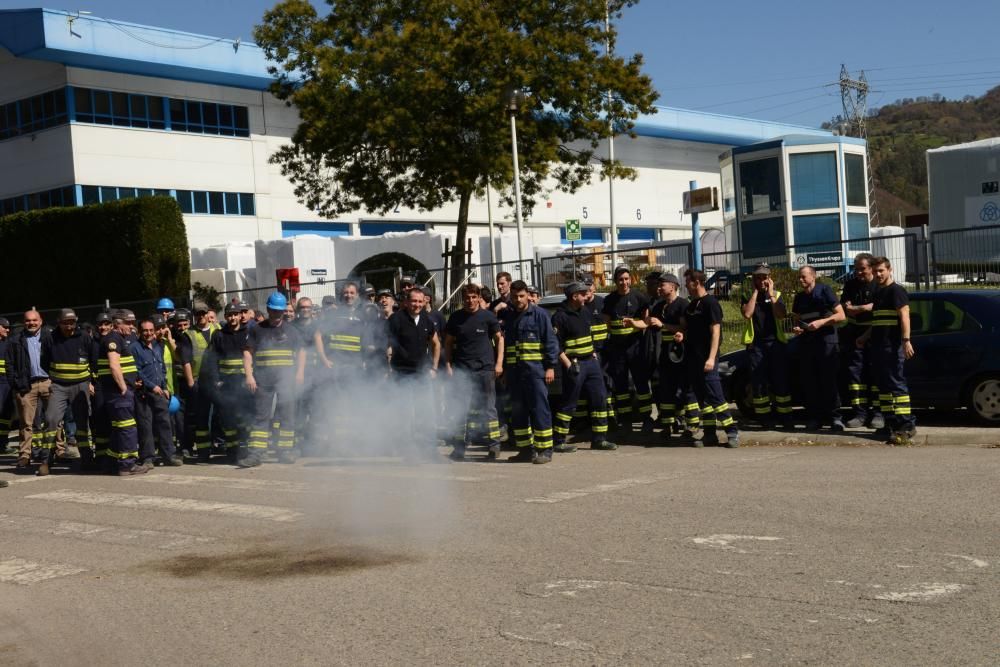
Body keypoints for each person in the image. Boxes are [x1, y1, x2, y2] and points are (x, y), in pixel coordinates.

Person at [675, 269, 739, 448]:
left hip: (707, 358)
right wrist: (682, 335)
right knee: (704, 400)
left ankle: (732, 431)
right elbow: (688, 330)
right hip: (693, 359)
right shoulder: (691, 306)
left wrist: (711, 358)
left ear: (696, 282)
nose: (685, 285)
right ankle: (710, 435)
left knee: (716, 396)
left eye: (687, 282)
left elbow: (715, 332)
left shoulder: (711, 303)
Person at [242, 292, 307, 467]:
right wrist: (249, 375)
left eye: (281, 311)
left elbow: (301, 351)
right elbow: (248, 353)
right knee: (261, 416)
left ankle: (285, 451)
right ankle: (256, 454)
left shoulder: (291, 330)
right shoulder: (256, 329)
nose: (278, 314)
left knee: (287, 415)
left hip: (286, 380)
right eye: (275, 311)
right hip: (263, 380)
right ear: (268, 309)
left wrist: (300, 373)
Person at [550, 282, 615, 453]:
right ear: (574, 296)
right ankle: (559, 441)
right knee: (569, 403)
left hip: (591, 362)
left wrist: (593, 352)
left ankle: (599, 439)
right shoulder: (560, 317)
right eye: (582, 293)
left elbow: (589, 334)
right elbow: (556, 346)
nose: (586, 295)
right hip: (575, 364)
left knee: (599, 398)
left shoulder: (584, 311)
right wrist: (569, 364)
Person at [857, 257, 916, 443]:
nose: (878, 275)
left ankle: (906, 425)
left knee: (896, 385)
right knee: (883, 388)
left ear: (890, 270)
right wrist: (865, 337)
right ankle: (889, 424)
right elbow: (878, 321)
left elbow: (905, 316)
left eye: (881, 271)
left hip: (892, 347)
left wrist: (906, 340)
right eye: (875, 272)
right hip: (878, 347)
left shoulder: (896, 291)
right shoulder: (878, 292)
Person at [443, 283, 504, 461]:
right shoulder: (455, 318)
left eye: (473, 297)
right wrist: (448, 365)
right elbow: (447, 343)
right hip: (462, 372)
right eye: (467, 298)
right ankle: (459, 448)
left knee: (489, 409)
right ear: (463, 299)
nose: (470, 301)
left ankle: (494, 446)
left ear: (479, 298)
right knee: (461, 410)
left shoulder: (488, 317)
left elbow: (500, 340)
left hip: (485, 370)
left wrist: (498, 363)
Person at [504, 280, 559, 464]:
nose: (518, 300)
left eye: (521, 296)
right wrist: (505, 371)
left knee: (540, 410)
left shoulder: (540, 315)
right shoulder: (509, 316)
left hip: (536, 372)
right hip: (515, 373)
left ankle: (545, 450)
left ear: (528, 295)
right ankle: (525, 450)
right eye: (514, 297)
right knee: (518, 413)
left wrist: (551, 366)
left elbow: (551, 342)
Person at [387, 287, 441, 460]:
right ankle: (408, 453)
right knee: (404, 415)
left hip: (422, 374)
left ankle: (430, 452)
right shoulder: (396, 320)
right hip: (401, 374)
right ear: (406, 302)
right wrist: (388, 368)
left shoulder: (427, 320)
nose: (417, 305)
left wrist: (433, 367)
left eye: (420, 301)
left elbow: (436, 344)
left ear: (425, 302)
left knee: (427, 413)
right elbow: (387, 345)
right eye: (413, 301)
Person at [791, 266, 846, 430]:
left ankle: (835, 418)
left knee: (828, 381)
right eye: (799, 277)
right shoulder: (799, 297)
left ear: (813, 277)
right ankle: (815, 418)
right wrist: (798, 328)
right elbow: (798, 319)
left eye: (804, 277)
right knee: (810, 382)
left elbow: (841, 315)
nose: (801, 280)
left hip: (826, 343)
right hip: (807, 344)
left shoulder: (825, 291)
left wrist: (821, 323)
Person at [39, 308, 92, 475]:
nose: (69, 326)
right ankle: (46, 460)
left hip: (81, 385)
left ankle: (86, 458)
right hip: (59, 386)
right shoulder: (50, 338)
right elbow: (44, 362)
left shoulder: (84, 337)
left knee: (82, 423)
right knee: (51, 419)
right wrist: (56, 378)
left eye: (72, 323)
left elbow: (93, 359)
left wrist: (91, 382)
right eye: (65, 323)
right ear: (59, 322)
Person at [645, 273, 697, 441]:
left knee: (687, 390)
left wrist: (664, 325)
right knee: (666, 389)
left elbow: (685, 328)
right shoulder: (659, 306)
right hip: (665, 354)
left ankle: (692, 426)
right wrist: (633, 323)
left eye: (663, 285)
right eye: (658, 285)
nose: (659, 288)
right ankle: (668, 425)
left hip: (681, 354)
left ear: (673, 286)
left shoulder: (683, 305)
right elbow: (648, 323)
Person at [740, 263, 792, 428]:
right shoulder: (748, 294)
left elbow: (781, 314)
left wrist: (771, 294)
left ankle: (785, 417)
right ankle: (764, 418)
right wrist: (755, 293)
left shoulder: (776, 294)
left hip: (775, 343)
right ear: (753, 279)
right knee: (759, 382)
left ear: (770, 279)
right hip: (756, 345)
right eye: (758, 278)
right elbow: (747, 313)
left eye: (764, 277)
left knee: (780, 380)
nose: (761, 280)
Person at [602, 266, 654, 431]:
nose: (623, 282)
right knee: (621, 385)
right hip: (617, 350)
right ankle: (625, 420)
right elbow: (607, 324)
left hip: (635, 347)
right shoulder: (609, 300)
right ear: (615, 281)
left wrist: (633, 323)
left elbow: (646, 322)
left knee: (641, 383)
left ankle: (646, 419)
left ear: (630, 280)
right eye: (620, 280)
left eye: (626, 279)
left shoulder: (639, 297)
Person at [96, 310, 145, 475]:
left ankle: (110, 462)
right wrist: (124, 387)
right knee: (127, 427)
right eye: (128, 323)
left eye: (133, 323)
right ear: (117, 324)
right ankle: (127, 464)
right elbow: (114, 365)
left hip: (118, 392)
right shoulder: (114, 339)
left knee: (119, 428)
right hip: (119, 393)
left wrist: (133, 380)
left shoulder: (117, 339)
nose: (132, 327)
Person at [6, 309, 53, 474]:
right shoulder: (15, 340)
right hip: (27, 385)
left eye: (34, 320)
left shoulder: (50, 337)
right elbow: (9, 365)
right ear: (24, 322)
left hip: (49, 382)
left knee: (53, 420)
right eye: (28, 321)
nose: (31, 323)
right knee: (26, 423)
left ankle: (57, 451)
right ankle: (25, 455)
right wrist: (16, 386)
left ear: (41, 321)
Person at [840, 253, 883, 429]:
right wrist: (864, 308)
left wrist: (862, 308)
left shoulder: (879, 285)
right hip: (854, 337)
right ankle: (860, 413)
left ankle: (878, 414)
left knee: (876, 375)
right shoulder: (850, 285)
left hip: (875, 337)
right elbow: (846, 308)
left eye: (862, 269)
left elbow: (877, 306)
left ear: (871, 268)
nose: (858, 273)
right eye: (856, 269)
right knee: (856, 376)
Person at [131, 316, 181, 467]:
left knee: (165, 424)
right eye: (145, 331)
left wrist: (165, 387)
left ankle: (168, 456)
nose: (148, 333)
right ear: (139, 332)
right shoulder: (134, 348)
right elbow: (137, 370)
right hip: (144, 393)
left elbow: (162, 369)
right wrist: (152, 386)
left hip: (160, 393)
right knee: (146, 426)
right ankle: (147, 458)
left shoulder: (158, 346)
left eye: (151, 330)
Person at [207, 303, 252, 463]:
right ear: (225, 317)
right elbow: (211, 360)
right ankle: (232, 451)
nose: (232, 318)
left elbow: (252, 357)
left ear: (240, 315)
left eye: (235, 314)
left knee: (244, 418)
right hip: (226, 385)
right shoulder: (219, 335)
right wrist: (216, 380)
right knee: (228, 419)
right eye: (229, 315)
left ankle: (244, 449)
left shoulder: (247, 333)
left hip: (243, 384)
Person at [0, 317, 13, 450]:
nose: (8, 330)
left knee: (6, 414)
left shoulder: (8, 344)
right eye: (4, 327)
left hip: (7, 383)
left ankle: (2, 443)